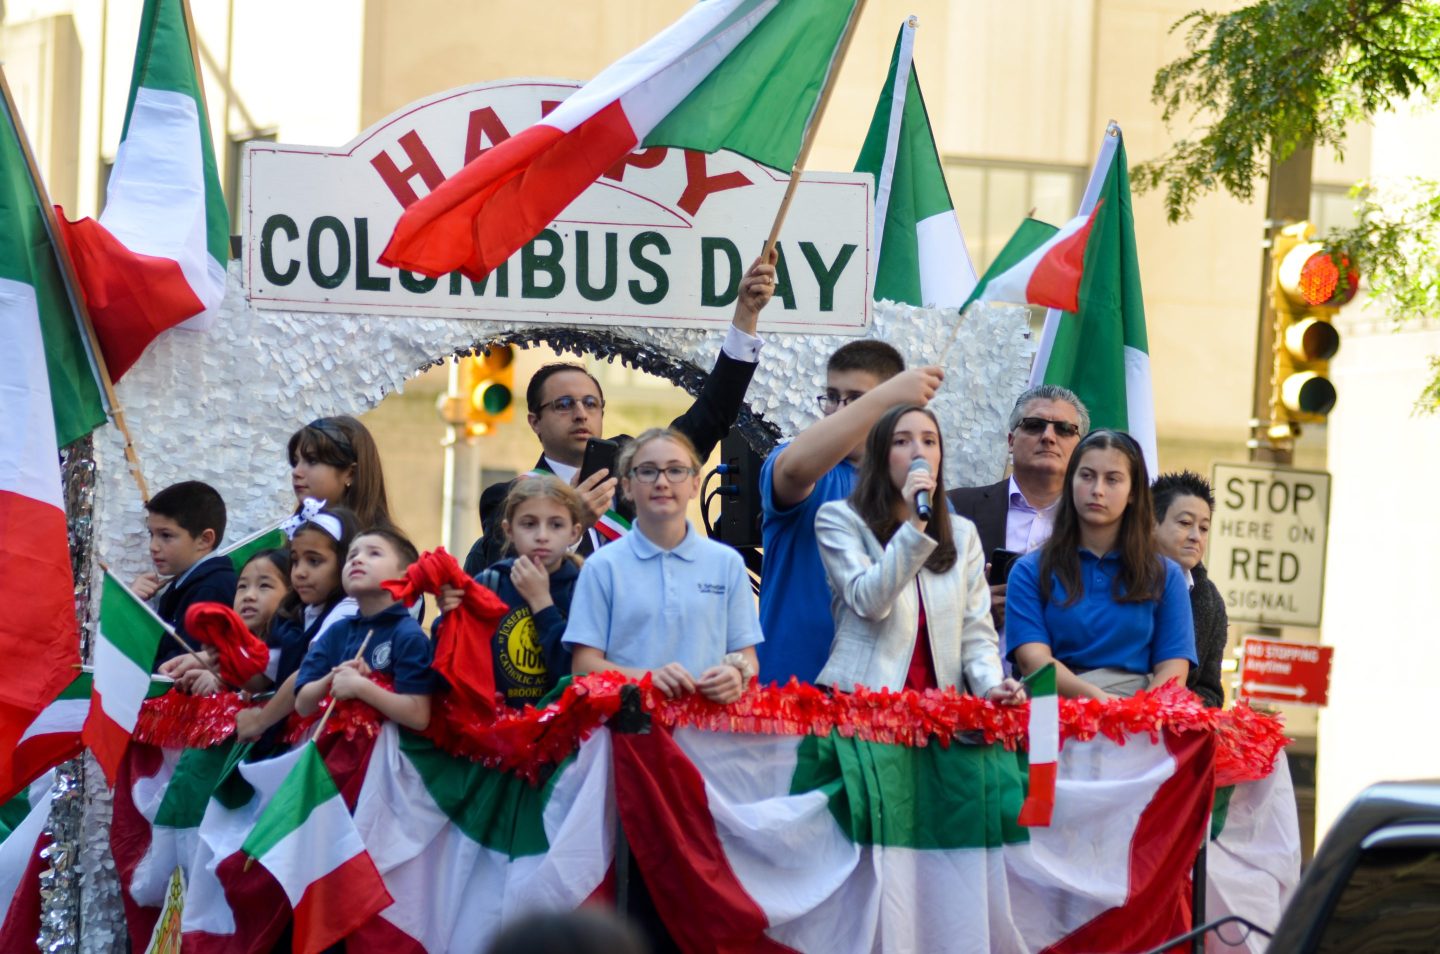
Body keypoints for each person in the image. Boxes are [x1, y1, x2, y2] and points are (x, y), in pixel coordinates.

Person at [464, 253, 778, 573]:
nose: (580, 413)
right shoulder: (508, 496)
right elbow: (506, 577)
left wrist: (745, 316)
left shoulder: (632, 468)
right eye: (564, 404)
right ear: (535, 422)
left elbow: (710, 416)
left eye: (590, 403)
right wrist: (572, 522)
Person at [757, 340, 944, 685]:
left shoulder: (919, 493)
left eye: (856, 399)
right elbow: (794, 470)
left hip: (878, 697)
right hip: (789, 692)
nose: (838, 410)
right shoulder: (804, 466)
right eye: (832, 396)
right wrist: (886, 396)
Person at [814, 405, 1026, 703]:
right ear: (880, 456)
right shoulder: (839, 519)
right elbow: (869, 603)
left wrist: (991, 686)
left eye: (929, 441)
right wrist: (914, 525)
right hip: (863, 704)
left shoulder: (962, 533)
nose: (919, 453)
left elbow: (976, 632)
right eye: (902, 441)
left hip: (940, 710)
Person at [566, 428, 760, 703]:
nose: (662, 482)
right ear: (627, 487)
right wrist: (647, 680)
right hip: (632, 725)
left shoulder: (726, 563)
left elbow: (747, 656)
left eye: (676, 470)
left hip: (708, 725)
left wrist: (736, 674)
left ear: (695, 484)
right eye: (647, 471)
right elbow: (583, 665)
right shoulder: (601, 567)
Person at [1008, 430, 1196, 700]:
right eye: (1087, 476)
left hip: (1138, 717)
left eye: (1112, 479)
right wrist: (1098, 700)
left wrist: (1134, 713)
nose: (1097, 490)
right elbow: (1032, 661)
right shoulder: (1029, 570)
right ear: (1070, 483)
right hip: (1050, 711)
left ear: (1133, 492)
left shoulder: (1167, 575)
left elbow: (1173, 670)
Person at [946, 385, 1089, 644]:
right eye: (1034, 425)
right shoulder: (955, 508)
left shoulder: (1096, 527)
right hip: (965, 664)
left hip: (1061, 668)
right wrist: (970, 611)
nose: (1048, 436)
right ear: (1011, 441)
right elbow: (913, 601)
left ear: (1081, 450)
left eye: (1064, 429)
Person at [438, 475, 586, 707]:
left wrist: (542, 604)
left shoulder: (584, 588)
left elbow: (577, 676)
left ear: (575, 532)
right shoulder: (490, 583)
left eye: (556, 525)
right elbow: (449, 670)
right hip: (497, 725)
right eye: (529, 524)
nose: (542, 536)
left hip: (566, 725)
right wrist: (448, 618)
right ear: (509, 530)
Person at [233, 505, 360, 743]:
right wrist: (222, 652)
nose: (299, 572)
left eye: (314, 561)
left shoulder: (349, 610)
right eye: (295, 561)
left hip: (333, 738)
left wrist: (260, 721)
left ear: (345, 562)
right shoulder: (300, 612)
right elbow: (261, 678)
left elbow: (308, 673)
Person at [296, 527, 437, 731]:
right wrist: (334, 678)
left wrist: (360, 687)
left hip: (386, 748)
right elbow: (302, 705)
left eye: (374, 553)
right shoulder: (336, 632)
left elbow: (418, 715)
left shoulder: (408, 635)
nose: (357, 560)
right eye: (352, 555)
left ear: (405, 576)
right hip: (333, 746)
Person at [131, 480, 238, 669]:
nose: (153, 546)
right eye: (151, 534)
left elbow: (179, 667)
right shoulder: (183, 583)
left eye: (166, 535)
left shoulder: (213, 589)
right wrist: (133, 604)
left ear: (204, 540)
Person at [161, 548, 293, 697]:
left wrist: (222, 675)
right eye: (242, 586)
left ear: (292, 593)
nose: (248, 596)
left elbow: (260, 679)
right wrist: (219, 675)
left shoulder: (290, 640)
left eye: (264, 585)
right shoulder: (245, 645)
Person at [1152, 471, 1227, 707]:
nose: (1196, 537)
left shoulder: (1211, 600)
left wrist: (1178, 711)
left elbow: (1210, 690)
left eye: (1204, 528)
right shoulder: (1115, 574)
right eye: (1185, 523)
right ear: (1151, 523)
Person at [287, 415, 394, 531]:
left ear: (350, 474)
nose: (296, 472)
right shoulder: (289, 532)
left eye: (312, 460)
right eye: (296, 462)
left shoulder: (377, 541)